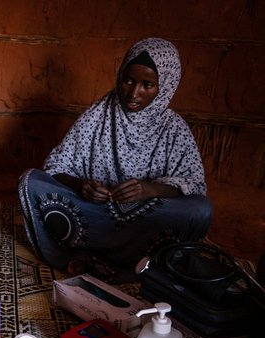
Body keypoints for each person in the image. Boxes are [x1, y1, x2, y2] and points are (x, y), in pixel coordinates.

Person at [18, 38, 213, 282]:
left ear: (166, 85)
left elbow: (194, 184)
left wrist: (149, 190)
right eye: (128, 80)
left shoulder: (173, 128)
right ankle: (126, 262)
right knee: (31, 181)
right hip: (96, 212)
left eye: (148, 85)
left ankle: (93, 257)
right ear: (120, 75)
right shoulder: (99, 114)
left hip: (145, 221)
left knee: (200, 209)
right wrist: (83, 186)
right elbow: (56, 167)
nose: (134, 93)